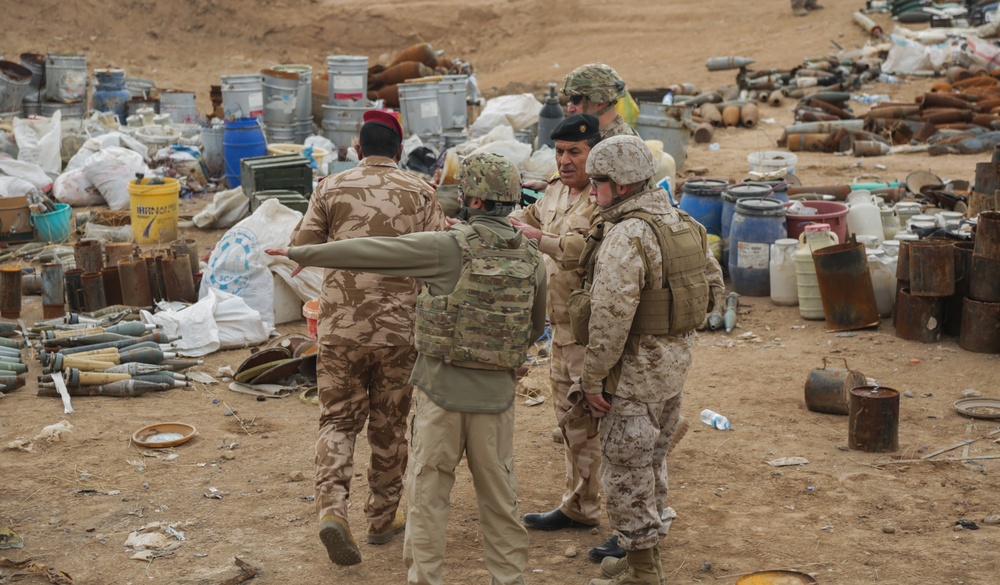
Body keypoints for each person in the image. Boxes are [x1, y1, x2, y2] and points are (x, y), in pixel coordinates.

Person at [268, 152, 547, 585]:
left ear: (471, 200)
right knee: (499, 498)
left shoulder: (447, 249)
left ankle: (426, 578)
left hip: (440, 396)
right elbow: (532, 328)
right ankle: (508, 578)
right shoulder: (532, 258)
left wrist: (301, 251)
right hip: (496, 399)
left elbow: (374, 251)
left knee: (428, 497)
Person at [290, 109, 449, 566]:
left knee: (337, 421)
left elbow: (304, 246)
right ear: (399, 152)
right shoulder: (421, 192)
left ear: (357, 150)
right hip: (401, 331)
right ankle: (381, 519)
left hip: (341, 329)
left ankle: (331, 510)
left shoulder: (330, 187)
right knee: (390, 425)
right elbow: (441, 255)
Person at [572, 136, 724, 585]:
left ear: (620, 185)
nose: (592, 188)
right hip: (671, 370)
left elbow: (610, 317)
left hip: (632, 376)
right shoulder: (683, 222)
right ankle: (645, 551)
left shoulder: (627, 235)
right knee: (652, 460)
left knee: (625, 468)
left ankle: (642, 567)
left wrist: (594, 378)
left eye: (598, 181)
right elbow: (714, 294)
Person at [509, 114, 604, 533]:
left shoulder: (604, 197)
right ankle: (578, 506)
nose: (565, 161)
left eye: (574, 153)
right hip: (559, 330)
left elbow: (582, 250)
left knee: (600, 427)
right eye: (560, 151)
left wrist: (535, 238)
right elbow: (527, 217)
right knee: (570, 423)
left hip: (592, 333)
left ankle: (623, 521)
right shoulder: (554, 191)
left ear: (593, 154)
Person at [561, 63, 638, 140]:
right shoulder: (595, 135)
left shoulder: (618, 143)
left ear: (600, 103)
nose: (569, 109)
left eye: (576, 100)